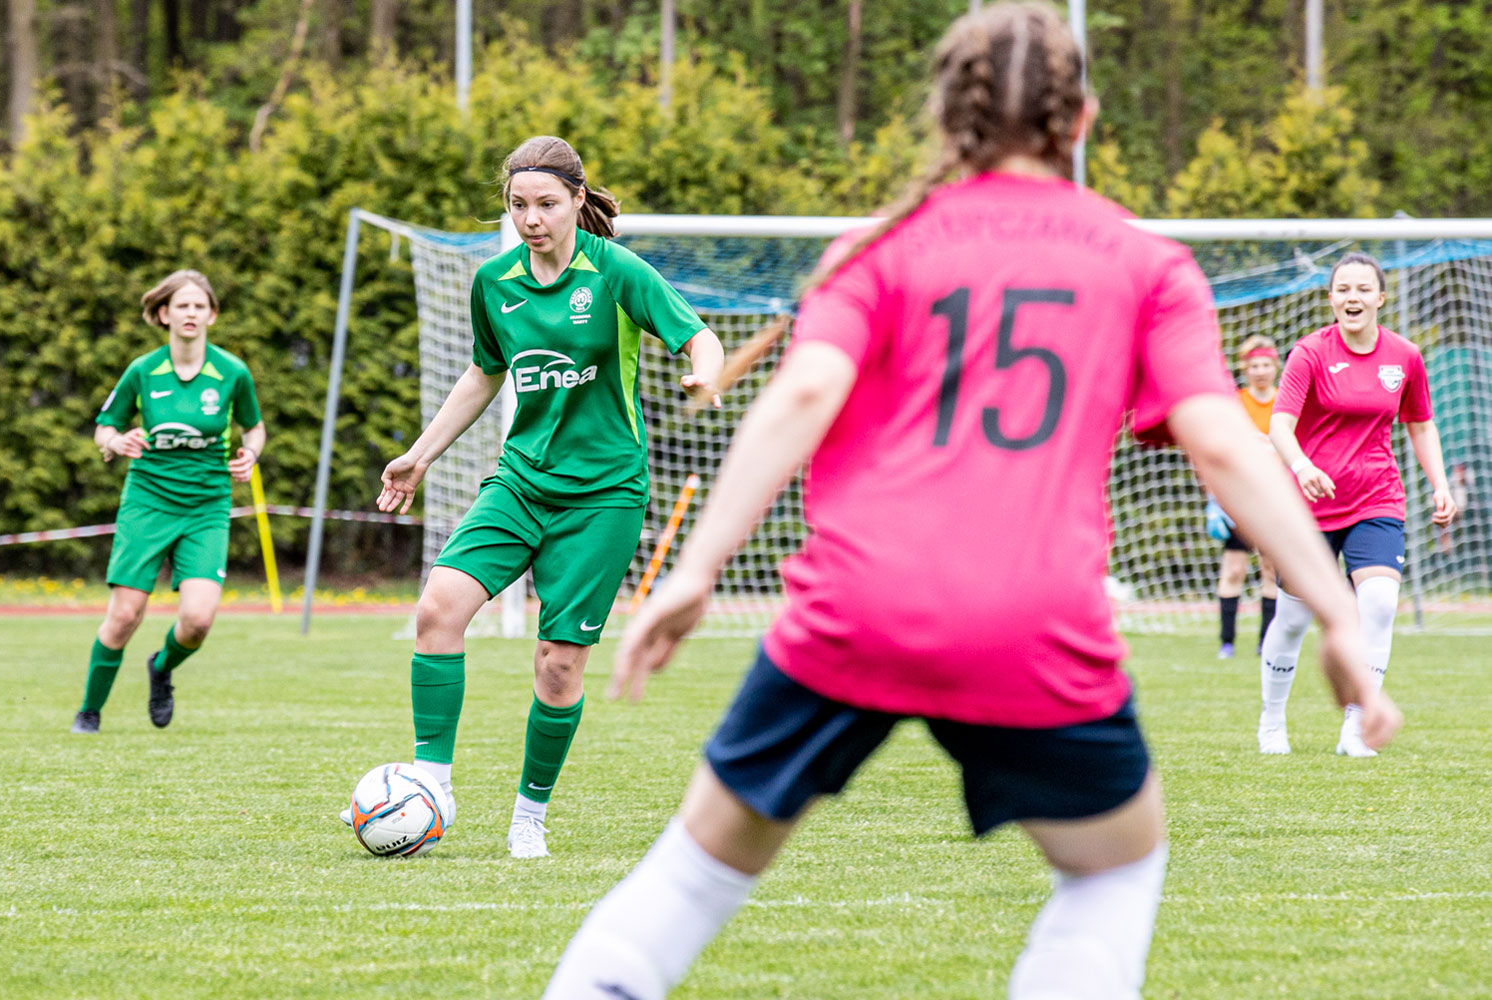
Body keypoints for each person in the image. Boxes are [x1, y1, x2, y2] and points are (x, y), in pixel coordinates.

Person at [541, 5, 1400, 998]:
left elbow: (802, 397)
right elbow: (1223, 444)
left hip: (856, 609)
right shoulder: (1145, 263)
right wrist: (1336, 614)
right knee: (1113, 870)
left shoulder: (877, 247)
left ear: (948, 117)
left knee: (692, 876)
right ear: (1083, 120)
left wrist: (696, 571)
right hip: (1032, 622)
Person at [365, 136, 725, 859]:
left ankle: (529, 816)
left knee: (558, 664)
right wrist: (419, 456)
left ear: (577, 201)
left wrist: (705, 374)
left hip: (604, 497)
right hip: (521, 480)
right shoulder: (494, 282)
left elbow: (699, 337)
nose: (532, 220)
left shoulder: (615, 271)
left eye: (547, 205)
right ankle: (432, 786)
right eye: (519, 205)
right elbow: (483, 373)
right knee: (438, 608)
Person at [1257, 251, 1457, 757]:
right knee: (1293, 619)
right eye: (1343, 289)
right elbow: (1280, 425)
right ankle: (1272, 720)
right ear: (1331, 299)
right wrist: (1302, 467)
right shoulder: (1309, 353)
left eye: (1363, 289)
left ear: (1380, 298)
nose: (1353, 297)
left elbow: (1420, 424)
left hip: (1377, 498)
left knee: (1380, 604)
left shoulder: (1405, 356)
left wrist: (1439, 484)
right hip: (1309, 506)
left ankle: (1357, 726)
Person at [72, 269, 265, 735]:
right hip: (148, 501)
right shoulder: (144, 370)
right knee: (124, 615)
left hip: (207, 506)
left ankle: (161, 668)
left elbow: (254, 427)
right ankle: (89, 712)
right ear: (164, 314)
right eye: (182, 305)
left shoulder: (232, 372)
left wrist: (251, 455)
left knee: (197, 621)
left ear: (212, 315)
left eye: (200, 305)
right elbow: (104, 427)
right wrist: (116, 442)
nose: (191, 313)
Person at [1206, 335, 1281, 658]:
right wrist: (1214, 501)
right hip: (1238, 498)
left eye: (1265, 365)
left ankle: (1266, 642)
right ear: (1245, 369)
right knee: (1234, 570)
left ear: (1275, 366)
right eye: (1254, 366)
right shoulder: (1235, 403)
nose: (1260, 371)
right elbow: (1215, 450)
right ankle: (1227, 643)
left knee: (1270, 570)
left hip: (1274, 499)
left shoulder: (1285, 402)